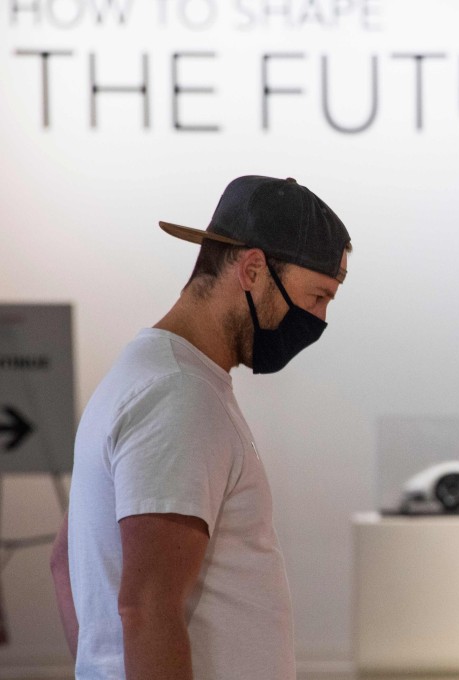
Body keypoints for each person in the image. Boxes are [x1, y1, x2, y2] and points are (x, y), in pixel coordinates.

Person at [49, 175, 352, 679]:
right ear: (253, 270)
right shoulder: (177, 395)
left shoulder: (153, 376)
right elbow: (147, 607)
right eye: (318, 296)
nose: (318, 319)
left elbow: (66, 562)